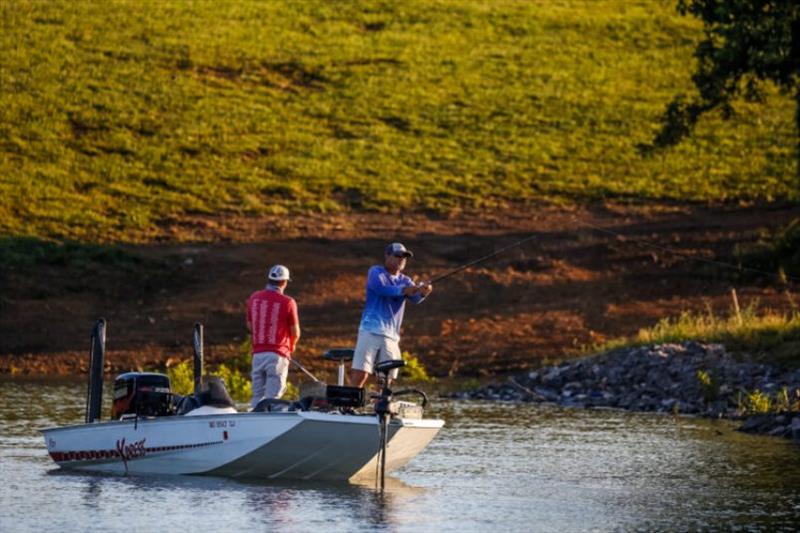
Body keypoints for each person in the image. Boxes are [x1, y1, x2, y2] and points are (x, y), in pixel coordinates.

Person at [350, 242, 433, 388]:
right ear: (387, 256)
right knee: (361, 373)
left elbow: (415, 299)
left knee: (385, 377)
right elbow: (381, 289)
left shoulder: (406, 280)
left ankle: (379, 407)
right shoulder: (376, 272)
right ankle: (347, 406)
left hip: (391, 336)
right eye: (398, 256)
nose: (402, 259)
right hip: (370, 330)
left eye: (405, 257)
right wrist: (404, 290)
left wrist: (423, 293)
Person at [246, 264, 300, 408]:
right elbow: (295, 332)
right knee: (274, 398)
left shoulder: (254, 298)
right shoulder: (288, 302)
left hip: (257, 355)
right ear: (284, 282)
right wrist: (292, 345)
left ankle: (254, 424)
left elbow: (250, 326)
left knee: (257, 397)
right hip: (277, 356)